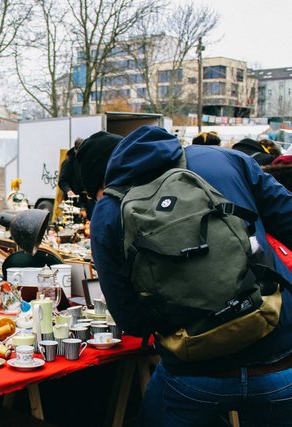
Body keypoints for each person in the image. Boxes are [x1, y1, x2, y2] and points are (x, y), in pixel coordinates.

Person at [77, 126, 292, 426]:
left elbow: (132, 321)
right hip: (277, 356)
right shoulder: (224, 159)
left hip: (194, 372)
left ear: (102, 179)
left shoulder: (109, 208)